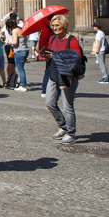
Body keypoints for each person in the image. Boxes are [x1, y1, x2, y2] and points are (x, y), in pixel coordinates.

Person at [41, 14, 84, 145]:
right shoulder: (53, 39)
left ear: (64, 25)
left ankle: (71, 133)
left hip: (67, 76)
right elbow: (53, 55)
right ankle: (63, 126)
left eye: (57, 25)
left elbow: (77, 57)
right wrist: (47, 56)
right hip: (54, 74)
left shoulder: (72, 40)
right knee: (49, 102)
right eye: (53, 26)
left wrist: (56, 55)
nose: (55, 28)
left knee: (67, 106)